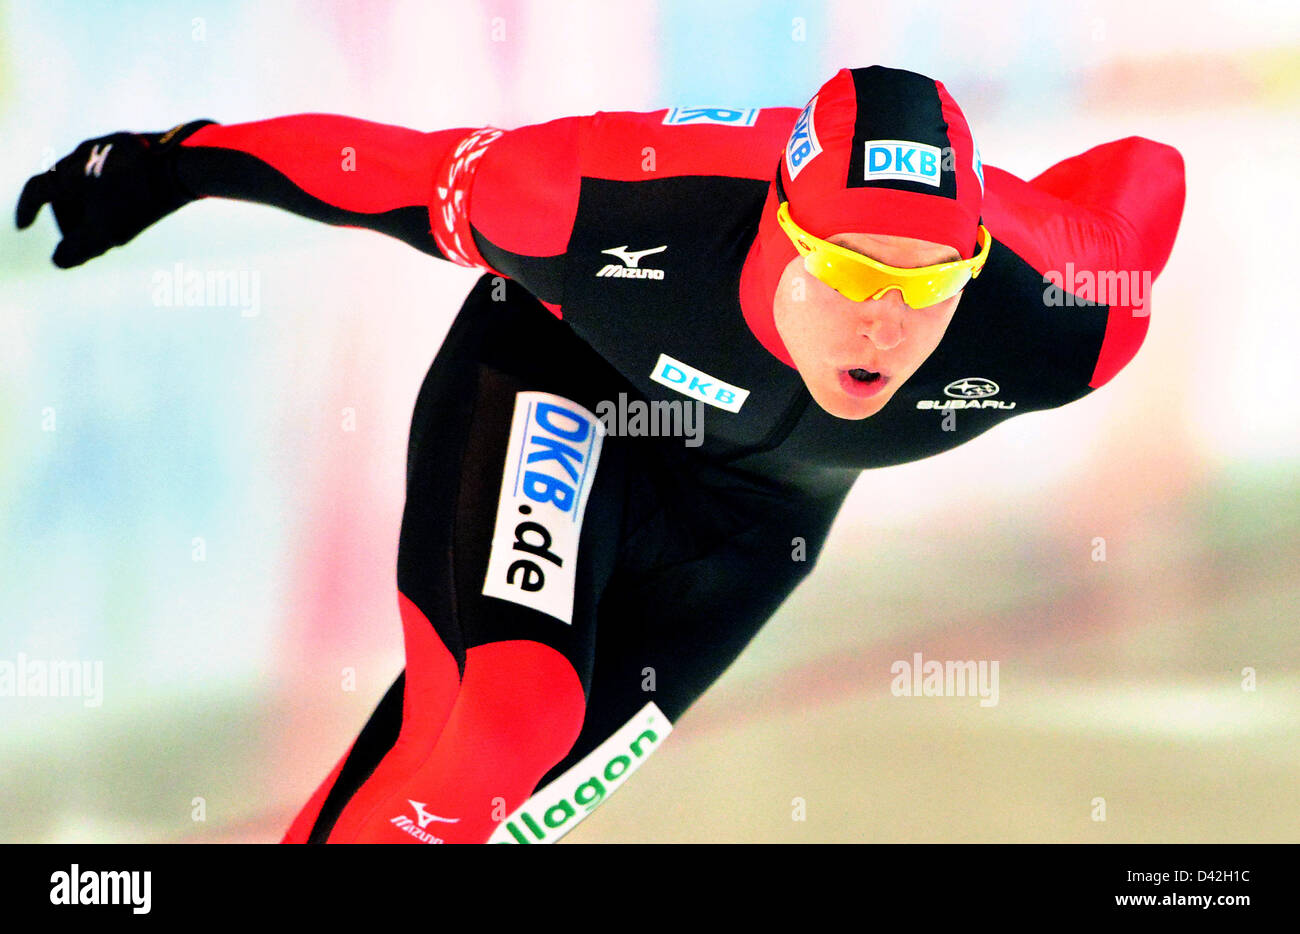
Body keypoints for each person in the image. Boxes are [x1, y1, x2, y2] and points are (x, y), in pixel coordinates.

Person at [15, 65, 1185, 844]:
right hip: (562, 381)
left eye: (925, 282)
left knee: (513, 805)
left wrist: (1022, 217)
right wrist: (171, 162)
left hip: (758, 521)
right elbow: (391, 168)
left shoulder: (1072, 315)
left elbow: (1149, 173)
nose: (886, 320)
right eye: (846, 272)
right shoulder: (600, 205)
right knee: (498, 728)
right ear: (777, 228)